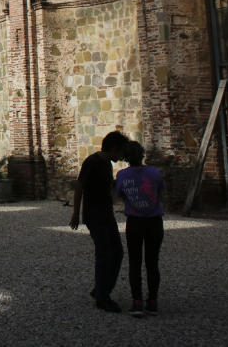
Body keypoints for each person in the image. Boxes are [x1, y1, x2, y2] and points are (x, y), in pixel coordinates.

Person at [70, 130, 128, 312]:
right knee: (104, 254)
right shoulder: (92, 162)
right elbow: (79, 186)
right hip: (95, 215)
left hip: (106, 214)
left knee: (117, 252)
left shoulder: (106, 163)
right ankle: (102, 297)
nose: (122, 156)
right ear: (113, 148)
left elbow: (106, 186)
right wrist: (75, 213)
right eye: (121, 152)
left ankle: (101, 289)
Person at [116, 140, 165, 317]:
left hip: (135, 222)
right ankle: (152, 301)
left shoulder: (122, 175)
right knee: (152, 262)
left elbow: (120, 195)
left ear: (126, 158)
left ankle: (137, 302)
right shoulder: (154, 172)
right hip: (154, 221)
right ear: (142, 155)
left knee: (135, 263)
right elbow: (160, 192)